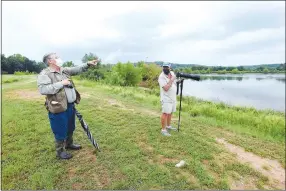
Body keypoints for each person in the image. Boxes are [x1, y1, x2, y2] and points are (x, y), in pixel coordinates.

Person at [37, 53, 98, 159]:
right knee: (60, 130)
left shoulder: (63, 70)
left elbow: (76, 69)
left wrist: (88, 64)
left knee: (70, 127)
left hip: (70, 105)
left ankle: (69, 144)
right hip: (58, 107)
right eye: (56, 57)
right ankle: (60, 152)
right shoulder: (45, 74)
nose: (59, 58)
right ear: (50, 61)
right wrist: (62, 83)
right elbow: (43, 89)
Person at [158, 63, 180, 136]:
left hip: (172, 97)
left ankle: (168, 126)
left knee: (170, 112)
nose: (165, 69)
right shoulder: (161, 77)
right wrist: (171, 80)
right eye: (164, 67)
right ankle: (163, 130)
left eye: (167, 67)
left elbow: (174, 82)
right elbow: (166, 88)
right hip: (166, 98)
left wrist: (179, 81)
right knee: (165, 113)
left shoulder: (172, 73)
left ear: (170, 68)